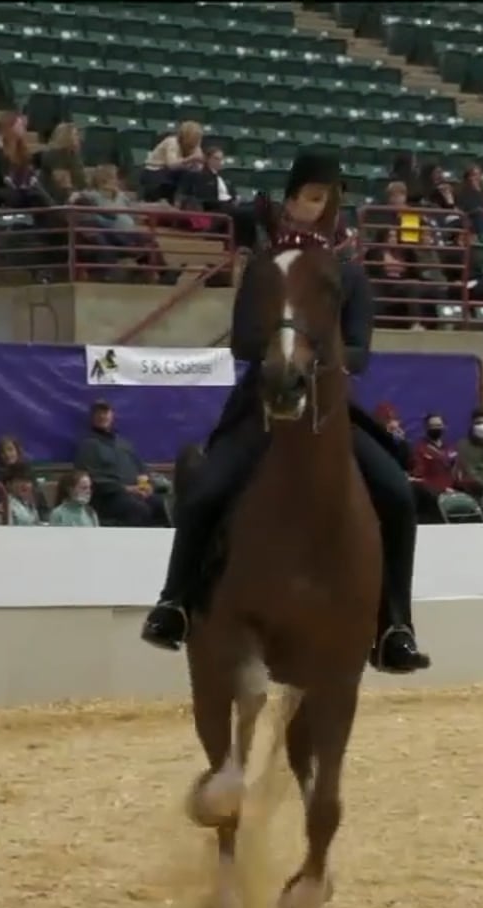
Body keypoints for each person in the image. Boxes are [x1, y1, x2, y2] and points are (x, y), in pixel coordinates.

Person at [139, 150, 430, 674]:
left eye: (326, 200)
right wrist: (284, 347)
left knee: (396, 495)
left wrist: (324, 355)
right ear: (293, 199)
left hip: (326, 407)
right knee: (206, 490)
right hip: (264, 401)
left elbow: (361, 349)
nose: (317, 208)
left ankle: (394, 625)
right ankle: (174, 602)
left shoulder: (349, 275)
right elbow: (243, 343)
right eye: (310, 197)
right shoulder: (264, 267)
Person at [73, 400, 166, 526]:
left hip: (137, 494)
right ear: (92, 417)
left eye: (105, 412)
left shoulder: (124, 443)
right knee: (139, 509)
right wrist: (127, 489)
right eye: (98, 413)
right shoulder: (88, 445)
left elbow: (142, 470)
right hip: (109, 499)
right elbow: (92, 479)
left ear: (112, 415)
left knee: (162, 504)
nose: (102, 416)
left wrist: (149, 486)